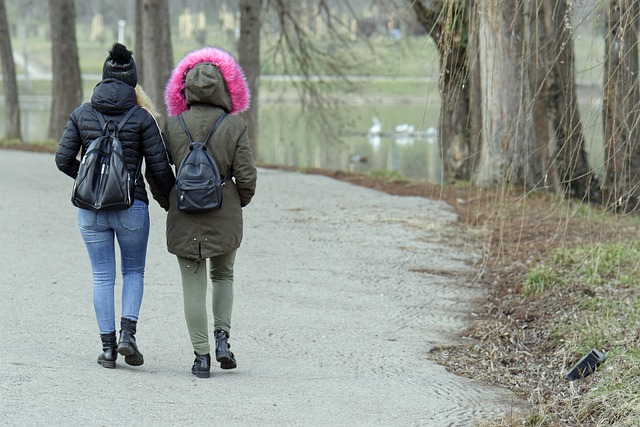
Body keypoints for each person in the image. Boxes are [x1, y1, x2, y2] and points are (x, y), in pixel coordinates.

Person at [55, 43, 175, 369]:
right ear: (133, 84)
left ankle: (107, 350)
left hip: (90, 209)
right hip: (131, 206)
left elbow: (63, 158)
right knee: (134, 270)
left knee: (101, 276)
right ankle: (128, 335)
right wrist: (170, 202)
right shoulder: (142, 118)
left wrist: (88, 178)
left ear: (104, 80)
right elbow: (160, 169)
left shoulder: (81, 113)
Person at [152, 46, 257, 378]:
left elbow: (155, 171)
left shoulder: (172, 125)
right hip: (225, 213)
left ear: (185, 90)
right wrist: (236, 200)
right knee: (223, 276)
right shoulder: (234, 125)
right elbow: (248, 176)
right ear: (226, 88)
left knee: (192, 286)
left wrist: (169, 199)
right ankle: (223, 339)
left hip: (183, 214)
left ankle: (201, 358)